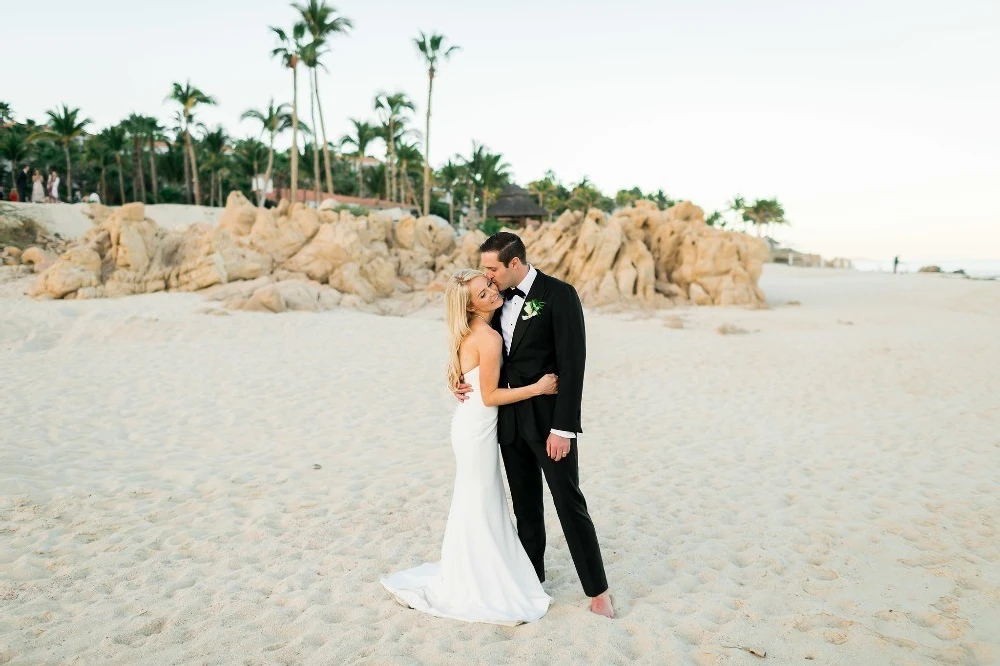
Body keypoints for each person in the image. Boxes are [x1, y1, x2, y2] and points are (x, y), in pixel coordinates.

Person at [381, 269, 556, 625]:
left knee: (478, 499)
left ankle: (479, 566)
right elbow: (490, 395)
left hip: (470, 426)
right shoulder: (487, 337)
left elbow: (470, 380)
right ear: (473, 307)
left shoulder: (474, 332)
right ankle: (477, 577)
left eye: (489, 284)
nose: (492, 291)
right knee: (479, 500)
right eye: (482, 293)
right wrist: (538, 388)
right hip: (476, 428)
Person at [455, 232, 615, 618]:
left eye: (491, 268)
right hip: (507, 423)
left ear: (514, 263)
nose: (487, 277)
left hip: (548, 425)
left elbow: (573, 366)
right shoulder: (492, 304)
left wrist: (564, 428)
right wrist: (462, 380)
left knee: (569, 503)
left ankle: (598, 592)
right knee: (526, 509)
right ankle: (532, 580)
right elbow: (472, 344)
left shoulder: (559, 295)